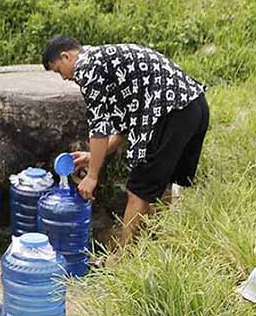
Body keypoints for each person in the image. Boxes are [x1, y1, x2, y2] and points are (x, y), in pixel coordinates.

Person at [42, 36, 209, 246]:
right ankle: (156, 245)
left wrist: (92, 175)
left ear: (66, 56)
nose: (64, 78)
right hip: (193, 106)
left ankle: (123, 258)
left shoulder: (86, 67)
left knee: (138, 189)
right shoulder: (104, 59)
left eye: (59, 70)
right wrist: (93, 157)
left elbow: (99, 128)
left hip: (171, 113)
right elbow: (123, 126)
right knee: (156, 185)